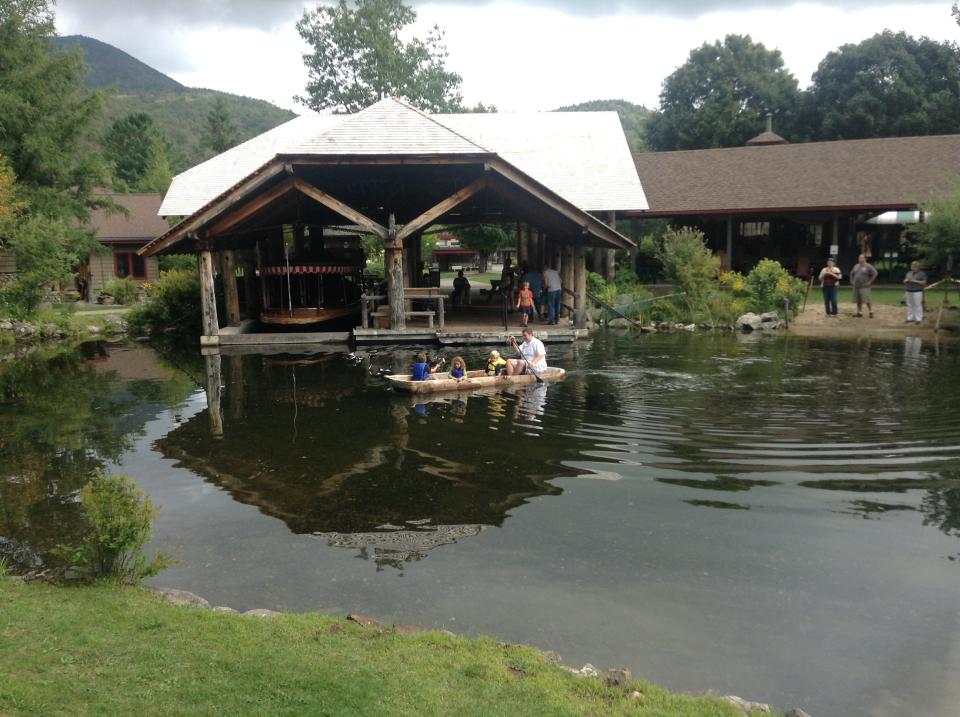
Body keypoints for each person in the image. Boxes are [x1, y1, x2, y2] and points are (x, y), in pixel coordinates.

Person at [849, 253, 878, 318]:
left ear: (865, 259)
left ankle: (871, 312)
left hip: (864, 286)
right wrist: (851, 280)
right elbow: (851, 273)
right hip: (856, 286)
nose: (860, 259)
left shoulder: (868, 266)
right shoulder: (856, 266)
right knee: (858, 299)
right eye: (859, 258)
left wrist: (870, 282)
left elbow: (875, 273)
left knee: (867, 299)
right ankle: (859, 312)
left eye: (862, 258)